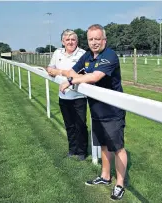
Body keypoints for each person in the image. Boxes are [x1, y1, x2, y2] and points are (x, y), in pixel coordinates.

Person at [59, 24, 127, 201]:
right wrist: (70, 76)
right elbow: (74, 70)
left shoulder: (109, 55)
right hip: (96, 108)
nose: (94, 42)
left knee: (117, 147)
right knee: (103, 144)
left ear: (104, 40)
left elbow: (95, 76)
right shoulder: (87, 55)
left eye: (98, 39)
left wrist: (71, 80)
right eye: (91, 39)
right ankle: (105, 177)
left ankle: (120, 184)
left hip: (112, 110)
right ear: (88, 41)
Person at [46, 29, 88, 161]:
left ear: (77, 41)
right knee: (69, 125)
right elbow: (49, 68)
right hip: (63, 95)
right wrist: (52, 70)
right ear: (63, 42)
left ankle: (82, 151)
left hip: (78, 96)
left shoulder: (83, 54)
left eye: (73, 39)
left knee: (80, 125)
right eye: (67, 40)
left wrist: (59, 71)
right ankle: (72, 149)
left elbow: (81, 75)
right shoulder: (57, 52)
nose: (70, 42)